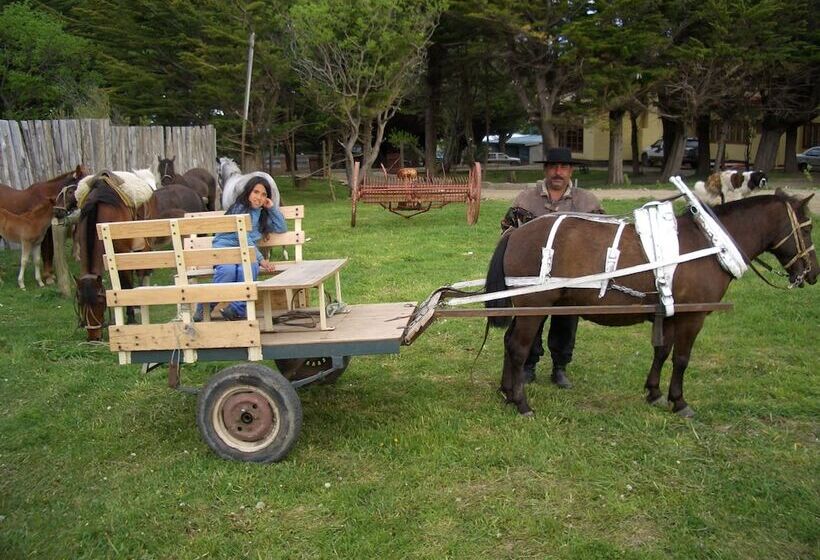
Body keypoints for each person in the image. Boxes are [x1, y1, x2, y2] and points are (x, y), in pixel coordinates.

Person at [503, 147, 604, 388]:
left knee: (566, 323)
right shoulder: (525, 199)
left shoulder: (587, 201)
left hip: (572, 278)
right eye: (553, 166)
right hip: (534, 276)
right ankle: (528, 365)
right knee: (530, 322)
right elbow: (508, 233)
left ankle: (560, 367)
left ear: (570, 170)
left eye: (564, 167)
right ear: (546, 169)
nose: (558, 172)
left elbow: (602, 240)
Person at [194, 176, 287, 321]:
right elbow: (242, 236)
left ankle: (237, 310)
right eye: (256, 192)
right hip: (226, 248)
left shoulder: (262, 213)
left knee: (248, 269)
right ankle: (204, 307)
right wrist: (261, 259)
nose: (259, 197)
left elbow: (281, 227)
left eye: (263, 195)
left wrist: (271, 207)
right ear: (248, 192)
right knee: (228, 271)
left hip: (245, 251)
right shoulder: (239, 209)